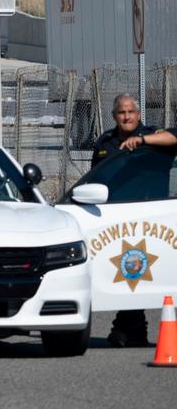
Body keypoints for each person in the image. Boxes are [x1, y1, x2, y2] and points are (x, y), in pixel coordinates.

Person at [91, 94, 156, 347]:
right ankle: (133, 330)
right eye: (121, 112)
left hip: (147, 213)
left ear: (138, 114)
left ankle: (125, 328)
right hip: (114, 214)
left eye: (130, 111)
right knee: (127, 270)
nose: (126, 116)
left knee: (134, 268)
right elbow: (96, 176)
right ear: (114, 116)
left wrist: (142, 140)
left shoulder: (152, 136)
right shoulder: (105, 142)